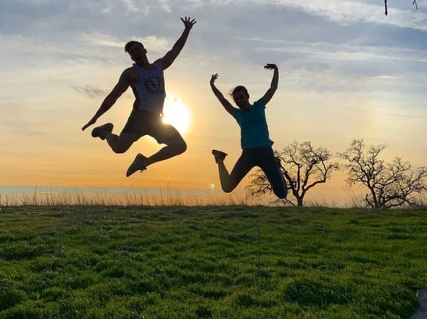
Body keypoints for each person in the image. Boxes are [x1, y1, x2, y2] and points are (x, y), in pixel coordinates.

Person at [82, 17, 197, 177]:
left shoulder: (159, 66)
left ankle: (143, 161)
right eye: (132, 52)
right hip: (140, 117)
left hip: (157, 119)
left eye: (137, 49)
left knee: (179, 146)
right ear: (131, 58)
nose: (135, 52)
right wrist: (96, 116)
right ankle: (105, 132)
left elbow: (175, 51)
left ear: (144, 50)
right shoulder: (131, 73)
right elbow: (113, 96)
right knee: (119, 148)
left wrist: (187, 30)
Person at [209, 64, 287, 198]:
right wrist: (212, 85)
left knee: (282, 193)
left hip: (266, 152)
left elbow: (273, 88)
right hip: (248, 154)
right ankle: (219, 159)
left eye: (241, 97)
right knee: (227, 187)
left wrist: (276, 70)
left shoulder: (259, 106)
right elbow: (222, 99)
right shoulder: (237, 114)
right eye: (237, 99)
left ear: (247, 96)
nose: (239, 101)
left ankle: (277, 166)